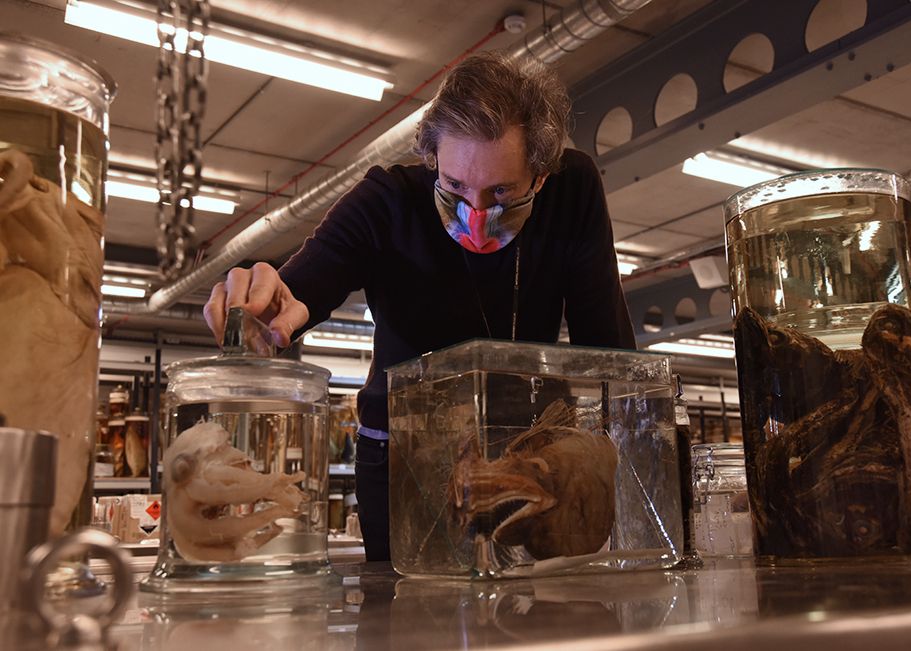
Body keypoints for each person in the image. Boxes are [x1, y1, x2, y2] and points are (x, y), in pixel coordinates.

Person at [203, 50, 637, 561]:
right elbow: (302, 287)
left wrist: (633, 459)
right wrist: (265, 300)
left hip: (525, 453)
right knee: (409, 614)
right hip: (402, 455)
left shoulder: (573, 191)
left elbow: (609, 351)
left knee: (537, 618)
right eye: (454, 187)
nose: (475, 220)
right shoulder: (385, 202)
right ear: (431, 158)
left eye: (501, 192)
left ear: (540, 175)